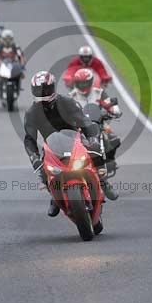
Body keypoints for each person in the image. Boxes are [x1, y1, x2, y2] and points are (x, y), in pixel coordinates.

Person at [23, 71, 119, 217]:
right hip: (51, 147)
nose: (43, 92)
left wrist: (92, 138)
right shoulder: (31, 113)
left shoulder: (66, 102)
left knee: (94, 149)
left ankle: (103, 181)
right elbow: (29, 138)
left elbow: (84, 121)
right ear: (33, 91)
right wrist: (34, 158)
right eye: (39, 90)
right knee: (43, 170)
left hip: (75, 140)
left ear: (53, 87)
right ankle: (54, 197)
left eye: (46, 88)